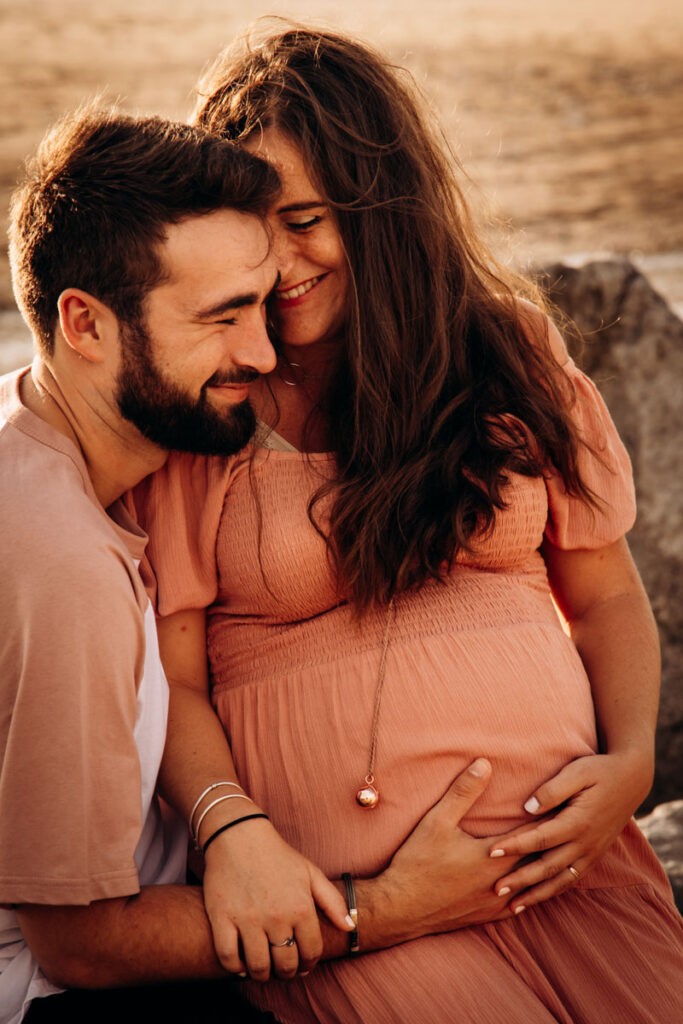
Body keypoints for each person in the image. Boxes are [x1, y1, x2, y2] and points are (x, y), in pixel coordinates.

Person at [130, 24, 683, 1023]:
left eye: (304, 219)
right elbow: (170, 678)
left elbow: (603, 596)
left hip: (565, 867)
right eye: (251, 228)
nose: (279, 261)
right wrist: (231, 831)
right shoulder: (215, 404)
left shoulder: (503, 350)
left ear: (381, 208)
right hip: (359, 914)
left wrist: (632, 764)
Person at [0, 95, 555, 1024]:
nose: (262, 353)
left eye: (261, 306)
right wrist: (382, 908)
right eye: (220, 318)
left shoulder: (33, 438)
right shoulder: (64, 566)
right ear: (85, 326)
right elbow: (81, 943)